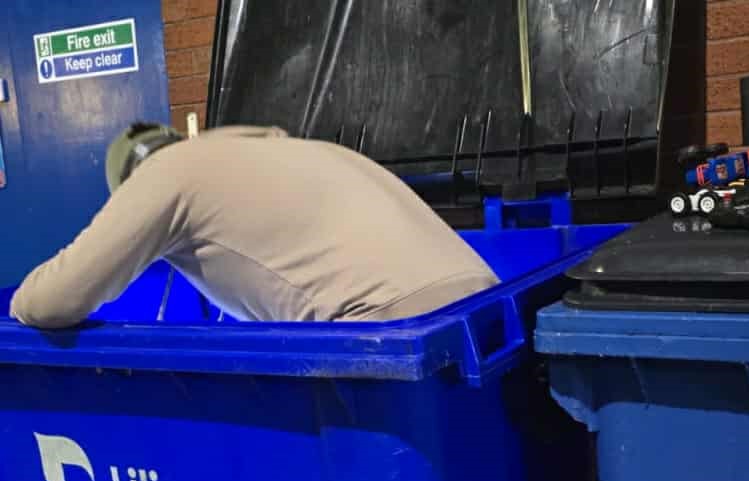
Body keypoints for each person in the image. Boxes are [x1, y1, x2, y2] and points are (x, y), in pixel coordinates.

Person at [10, 123, 498, 328]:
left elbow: (54, 300)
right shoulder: (296, 149)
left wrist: (17, 304)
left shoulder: (167, 173)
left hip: (392, 333)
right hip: (489, 306)